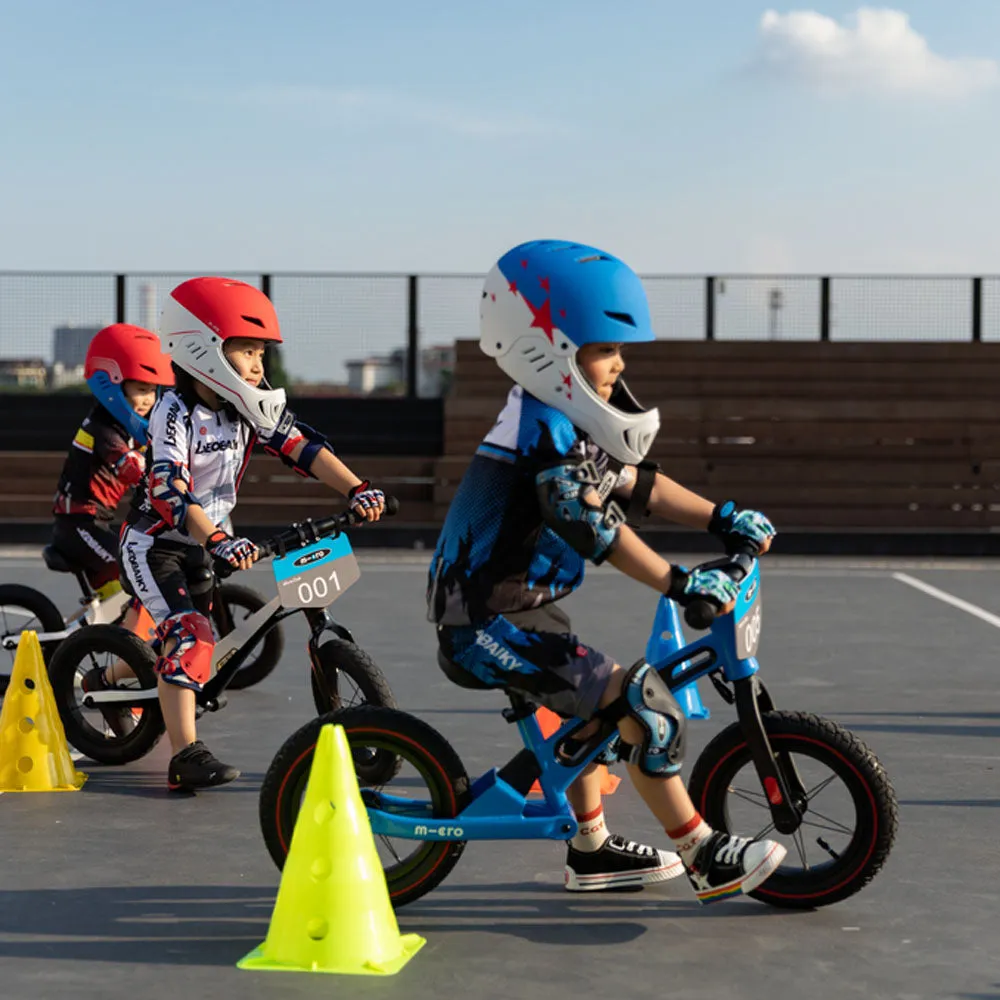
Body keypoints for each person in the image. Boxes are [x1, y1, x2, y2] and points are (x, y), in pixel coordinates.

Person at [428, 240, 786, 902]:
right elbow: (597, 529)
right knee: (639, 706)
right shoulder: (541, 433)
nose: (617, 363)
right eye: (600, 348)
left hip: (520, 606)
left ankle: (590, 851)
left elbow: (637, 485)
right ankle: (704, 854)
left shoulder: (567, 419)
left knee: (586, 714)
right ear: (546, 346)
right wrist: (681, 584)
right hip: (482, 620)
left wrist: (725, 517)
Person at [118, 277, 387, 793]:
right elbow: (169, 490)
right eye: (247, 350)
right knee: (190, 636)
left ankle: (113, 675)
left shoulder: (247, 405)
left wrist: (358, 488)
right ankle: (185, 756)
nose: (259, 365)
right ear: (203, 349)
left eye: (261, 351)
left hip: (205, 543)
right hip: (157, 545)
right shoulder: (172, 414)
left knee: (200, 646)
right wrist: (216, 540)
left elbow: (299, 445)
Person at [51, 324, 174, 733]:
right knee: (129, 576)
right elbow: (128, 466)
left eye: (153, 391)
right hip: (79, 521)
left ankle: (106, 642)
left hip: (100, 520)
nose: (147, 400)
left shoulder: (128, 425)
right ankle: (98, 657)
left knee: (125, 584)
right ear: (111, 386)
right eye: (139, 390)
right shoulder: (105, 425)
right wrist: (150, 472)